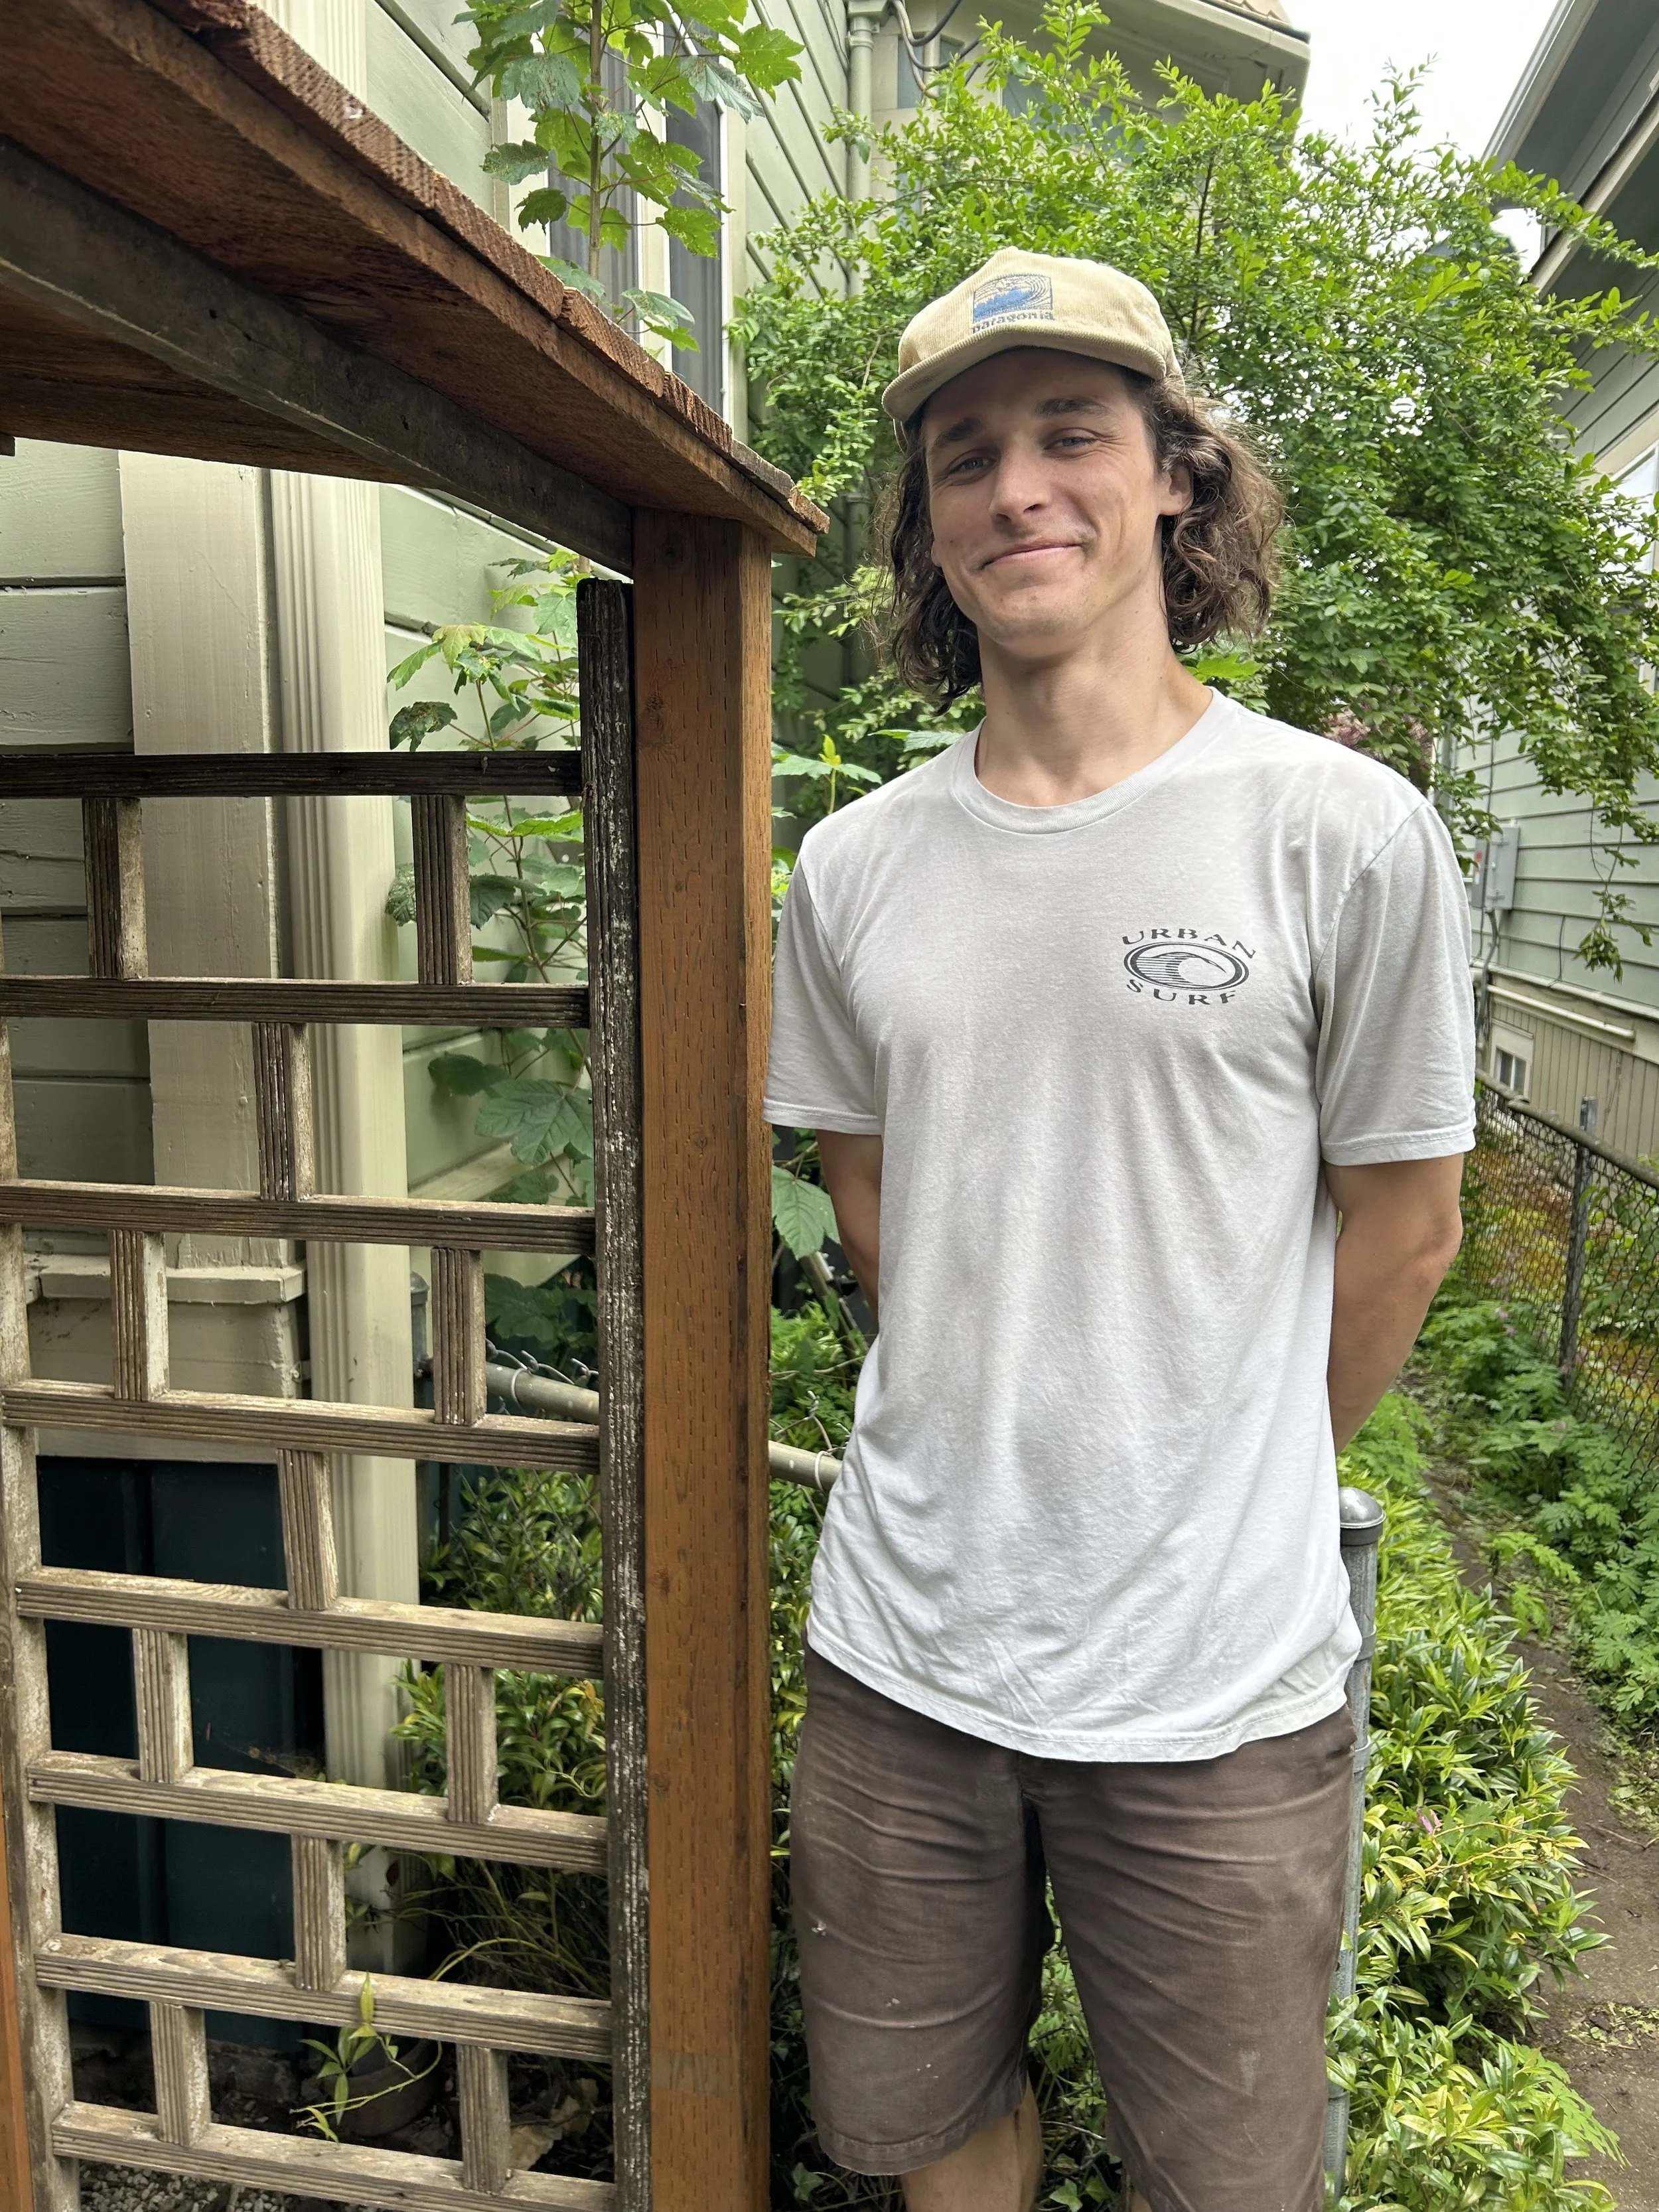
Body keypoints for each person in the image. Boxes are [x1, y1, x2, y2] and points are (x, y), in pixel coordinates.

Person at [763, 249, 1476, 2212]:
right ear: (924, 518)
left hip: (1216, 1681)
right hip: (902, 1651)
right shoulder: (850, 866)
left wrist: (1225, 1470)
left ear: (1173, 471)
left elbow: (1402, 1226)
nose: (1020, 490)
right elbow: (868, 1179)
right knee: (930, 2131)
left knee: (1225, 2177)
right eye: (965, 455)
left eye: (1073, 434)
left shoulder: (1333, 831)